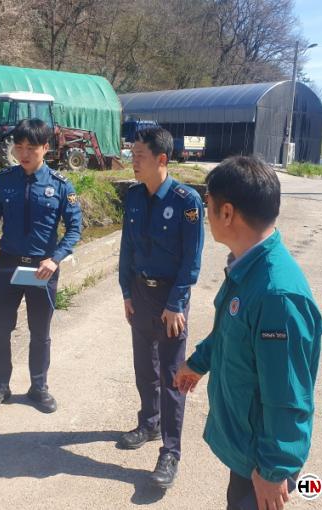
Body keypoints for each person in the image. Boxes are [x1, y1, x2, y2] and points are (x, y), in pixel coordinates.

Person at [173, 155, 322, 510]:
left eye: (208, 205)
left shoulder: (276, 295)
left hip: (263, 461)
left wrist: (274, 470)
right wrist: (198, 363)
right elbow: (229, 331)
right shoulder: (248, 267)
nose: (206, 214)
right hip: (248, 445)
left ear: (227, 213)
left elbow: (288, 394)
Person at [0, 119, 82, 415]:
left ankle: (38, 387)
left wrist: (55, 259)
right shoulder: (4, 180)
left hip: (42, 269)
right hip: (8, 266)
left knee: (40, 332)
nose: (23, 154)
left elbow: (74, 228)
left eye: (31, 148)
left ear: (45, 148)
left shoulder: (60, 185)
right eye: (19, 147)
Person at [118, 127, 205, 489]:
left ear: (162, 159)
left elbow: (191, 260)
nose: (133, 161)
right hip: (140, 294)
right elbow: (127, 248)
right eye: (132, 154)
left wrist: (176, 302)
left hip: (170, 300)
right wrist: (126, 292)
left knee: (172, 376)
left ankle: (170, 452)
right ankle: (149, 423)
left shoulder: (187, 201)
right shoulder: (135, 196)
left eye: (140, 155)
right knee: (144, 368)